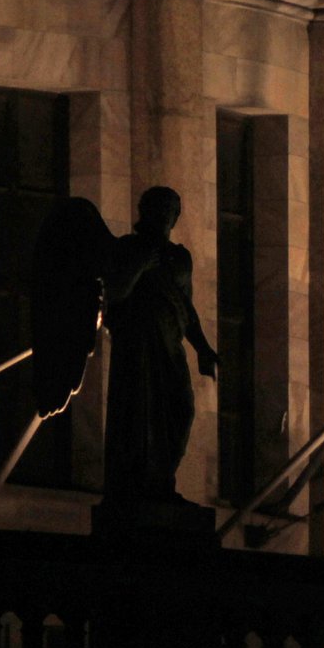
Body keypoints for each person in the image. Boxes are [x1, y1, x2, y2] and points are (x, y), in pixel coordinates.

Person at [101, 186, 218, 511]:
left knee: (181, 409)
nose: (165, 212)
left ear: (176, 215)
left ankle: (162, 481)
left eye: (170, 207)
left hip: (169, 346)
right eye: (158, 206)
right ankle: (140, 488)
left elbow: (186, 307)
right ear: (145, 211)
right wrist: (138, 266)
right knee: (137, 416)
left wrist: (204, 349)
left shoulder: (180, 257)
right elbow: (111, 296)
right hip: (137, 347)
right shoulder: (127, 249)